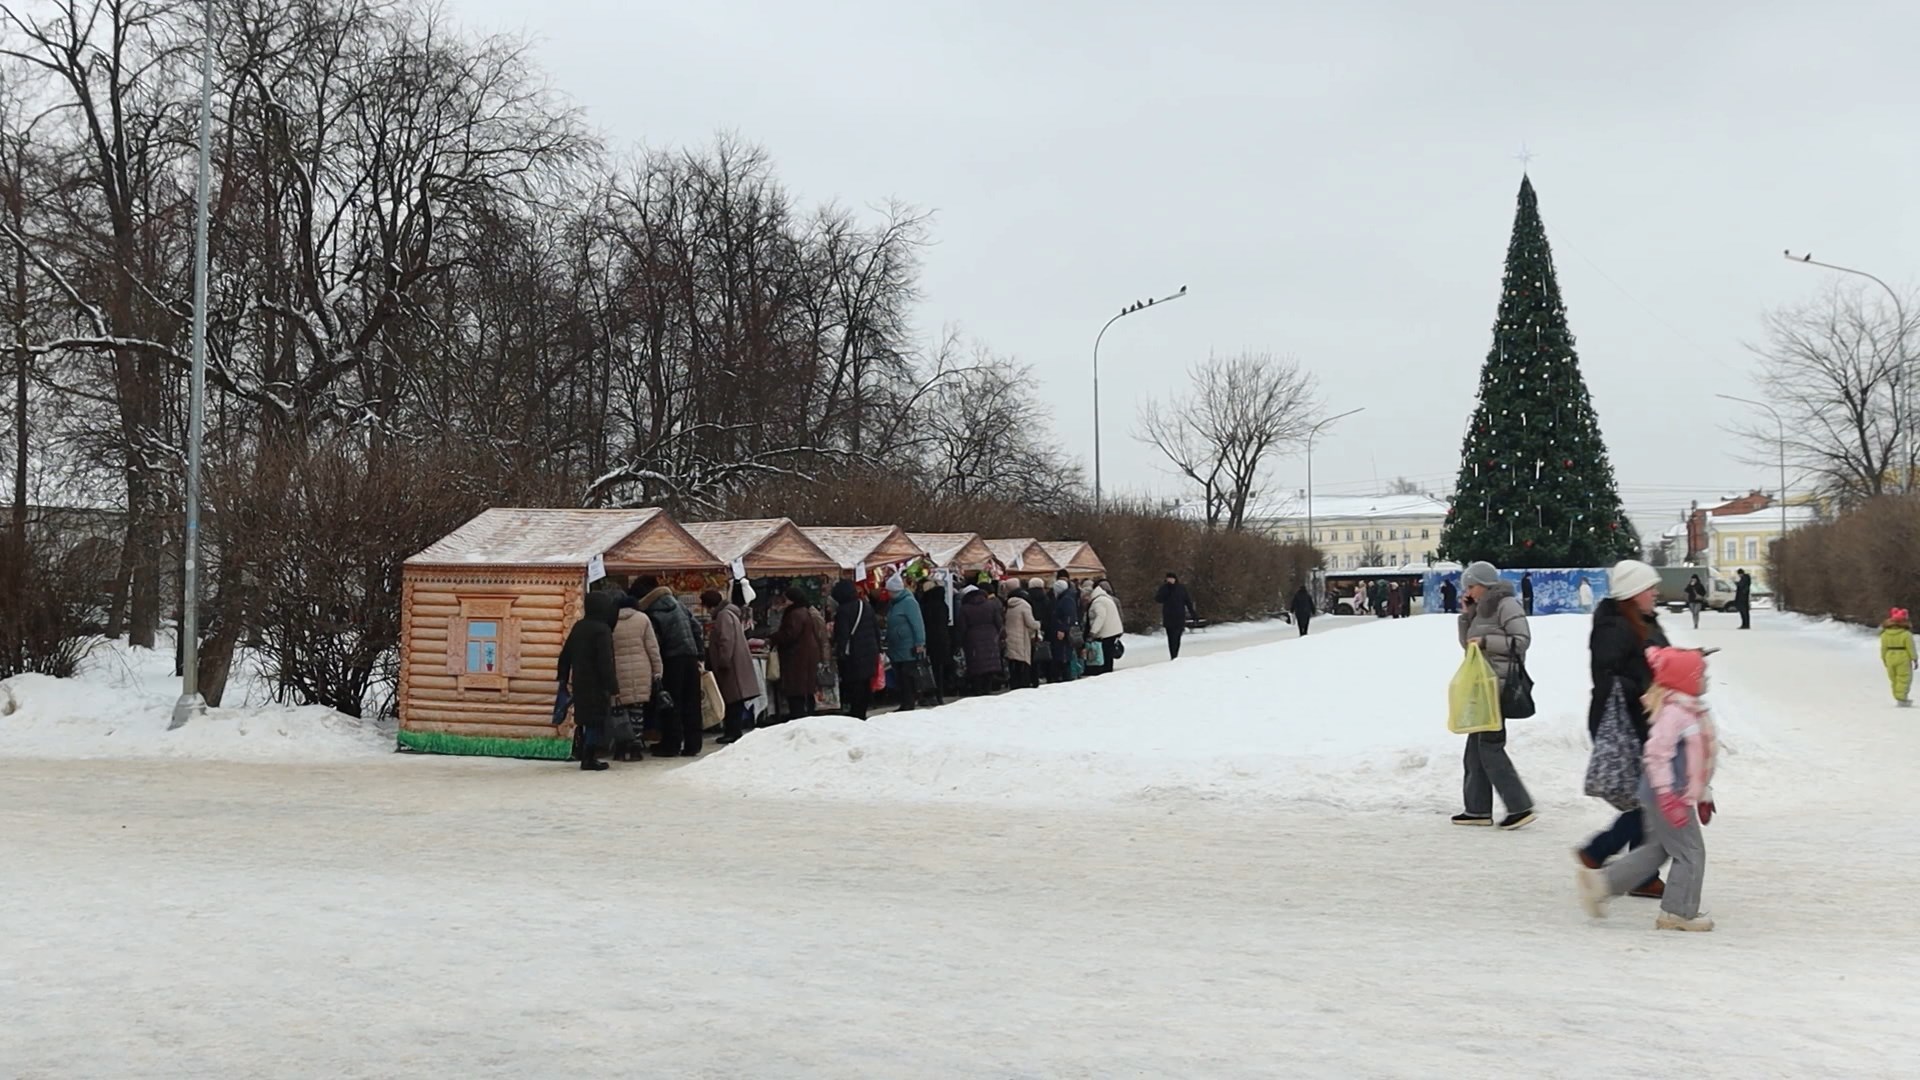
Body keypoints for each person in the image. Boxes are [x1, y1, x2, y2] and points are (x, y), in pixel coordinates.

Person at [1577, 646, 1718, 932]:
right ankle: (1677, 913)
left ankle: (1603, 883)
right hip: (1668, 796)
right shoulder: (1675, 714)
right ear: (1684, 679)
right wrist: (1667, 795)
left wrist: (1703, 793)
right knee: (1691, 852)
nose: (1706, 679)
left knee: (1658, 849)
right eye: (1700, 674)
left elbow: (1695, 760)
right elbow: (1656, 755)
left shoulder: (1688, 709)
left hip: (1671, 794)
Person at [1576, 559, 1668, 898]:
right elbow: (1608, 679)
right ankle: (1602, 851)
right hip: (1623, 722)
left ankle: (1637, 873)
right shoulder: (1614, 626)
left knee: (1648, 797)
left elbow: (1657, 659)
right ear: (1633, 593)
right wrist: (1643, 689)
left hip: (1645, 718)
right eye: (1650, 587)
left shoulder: (1642, 620)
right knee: (1651, 799)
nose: (1655, 592)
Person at [1452, 561, 1536, 830]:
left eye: (1472, 586)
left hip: (1499, 686)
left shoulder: (1506, 604)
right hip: (1483, 686)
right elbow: (1468, 646)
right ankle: (1477, 809)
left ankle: (1519, 807)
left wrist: (1487, 641)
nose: (1468, 591)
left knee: (1489, 747)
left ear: (1485, 585)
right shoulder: (1479, 610)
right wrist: (1466, 615)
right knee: (1474, 750)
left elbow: (1521, 641)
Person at [634, 577, 705, 759]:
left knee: (670, 703)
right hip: (689, 657)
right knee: (692, 702)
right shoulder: (679, 605)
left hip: (671, 660)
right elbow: (696, 628)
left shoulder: (651, 611)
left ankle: (671, 745)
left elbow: (655, 641)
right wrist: (699, 654)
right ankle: (693, 744)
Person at [556, 590, 620, 772]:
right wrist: (612, 686)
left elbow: (565, 654)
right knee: (595, 721)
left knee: (585, 720)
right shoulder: (602, 630)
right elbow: (605, 661)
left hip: (580, 681)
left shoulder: (579, 627)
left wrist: (562, 676)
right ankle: (589, 757)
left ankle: (586, 754)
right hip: (597, 683)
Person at [609, 589, 664, 761]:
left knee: (619, 711)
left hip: (618, 669)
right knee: (637, 710)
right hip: (641, 668)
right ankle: (635, 747)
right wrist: (658, 671)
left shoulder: (610, 621)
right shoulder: (642, 619)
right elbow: (652, 648)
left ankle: (620, 747)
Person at [703, 589, 756, 744]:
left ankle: (732, 732)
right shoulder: (730, 613)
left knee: (732, 699)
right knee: (734, 700)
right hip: (735, 662)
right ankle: (733, 731)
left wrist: (723, 661)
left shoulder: (723, 616)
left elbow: (726, 640)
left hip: (730, 664)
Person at [770, 586, 827, 721]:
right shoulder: (804, 611)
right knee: (804, 689)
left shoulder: (795, 614)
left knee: (797, 689)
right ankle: (805, 714)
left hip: (797, 657)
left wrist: (774, 638)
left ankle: (799, 716)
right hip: (804, 656)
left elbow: (790, 634)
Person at [830, 579, 881, 719]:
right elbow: (875, 629)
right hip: (870, 651)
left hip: (854, 654)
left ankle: (856, 713)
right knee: (865, 683)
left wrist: (839, 652)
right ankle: (862, 711)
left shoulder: (843, 611)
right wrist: (878, 648)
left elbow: (842, 635)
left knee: (855, 684)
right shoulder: (865, 605)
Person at [882, 573, 928, 711]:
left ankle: (909, 703)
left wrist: (920, 642)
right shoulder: (894, 604)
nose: (887, 593)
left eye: (889, 591)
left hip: (908, 647)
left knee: (907, 676)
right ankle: (905, 702)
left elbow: (917, 624)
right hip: (896, 647)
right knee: (900, 676)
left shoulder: (909, 602)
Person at [957, 584, 1004, 694]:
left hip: (972, 640)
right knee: (989, 666)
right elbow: (999, 622)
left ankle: (977, 690)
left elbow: (962, 628)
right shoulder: (991, 605)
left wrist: (960, 641)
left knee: (976, 666)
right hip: (991, 638)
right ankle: (987, 689)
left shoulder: (965, 608)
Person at [917, 578, 953, 702]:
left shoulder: (926, 605)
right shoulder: (943, 604)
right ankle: (940, 694)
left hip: (930, 640)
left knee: (930, 668)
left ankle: (932, 693)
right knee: (939, 668)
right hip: (943, 638)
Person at [1003, 584, 1041, 689]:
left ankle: (1014, 683)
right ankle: (1023, 684)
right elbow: (1030, 623)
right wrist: (1038, 624)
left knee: (1013, 661)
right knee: (1023, 662)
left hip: (1010, 637)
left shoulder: (1009, 605)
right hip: (1022, 638)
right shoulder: (1024, 605)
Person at [1155, 572, 1197, 659]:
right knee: (1171, 637)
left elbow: (1187, 601)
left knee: (1177, 637)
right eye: (1168, 578)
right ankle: (1173, 655)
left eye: (1171, 578)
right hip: (1168, 616)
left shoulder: (1181, 588)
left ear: (1175, 579)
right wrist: (1166, 591)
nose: (1170, 580)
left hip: (1179, 616)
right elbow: (1158, 599)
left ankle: (1175, 654)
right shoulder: (1164, 588)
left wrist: (1193, 614)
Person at [1087, 580, 1124, 675]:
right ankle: (1108, 671)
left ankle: (1106, 672)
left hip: (1106, 632)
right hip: (1113, 630)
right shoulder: (1105, 598)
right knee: (1109, 654)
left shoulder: (1098, 602)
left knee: (1106, 653)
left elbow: (1100, 617)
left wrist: (1093, 632)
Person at [1882, 607, 1915, 707]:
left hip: (1889, 656)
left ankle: (1897, 695)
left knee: (1894, 678)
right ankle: (1902, 698)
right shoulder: (1906, 634)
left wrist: (1884, 659)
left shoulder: (1884, 634)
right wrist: (1914, 658)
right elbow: (1911, 647)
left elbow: (1883, 648)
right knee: (1904, 677)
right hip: (1903, 656)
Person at [1049, 579, 1080, 683]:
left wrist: (1063, 629)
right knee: (1063, 655)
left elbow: (1068, 616)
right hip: (1063, 631)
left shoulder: (1066, 600)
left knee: (1063, 655)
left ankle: (1066, 677)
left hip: (1063, 632)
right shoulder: (1067, 598)